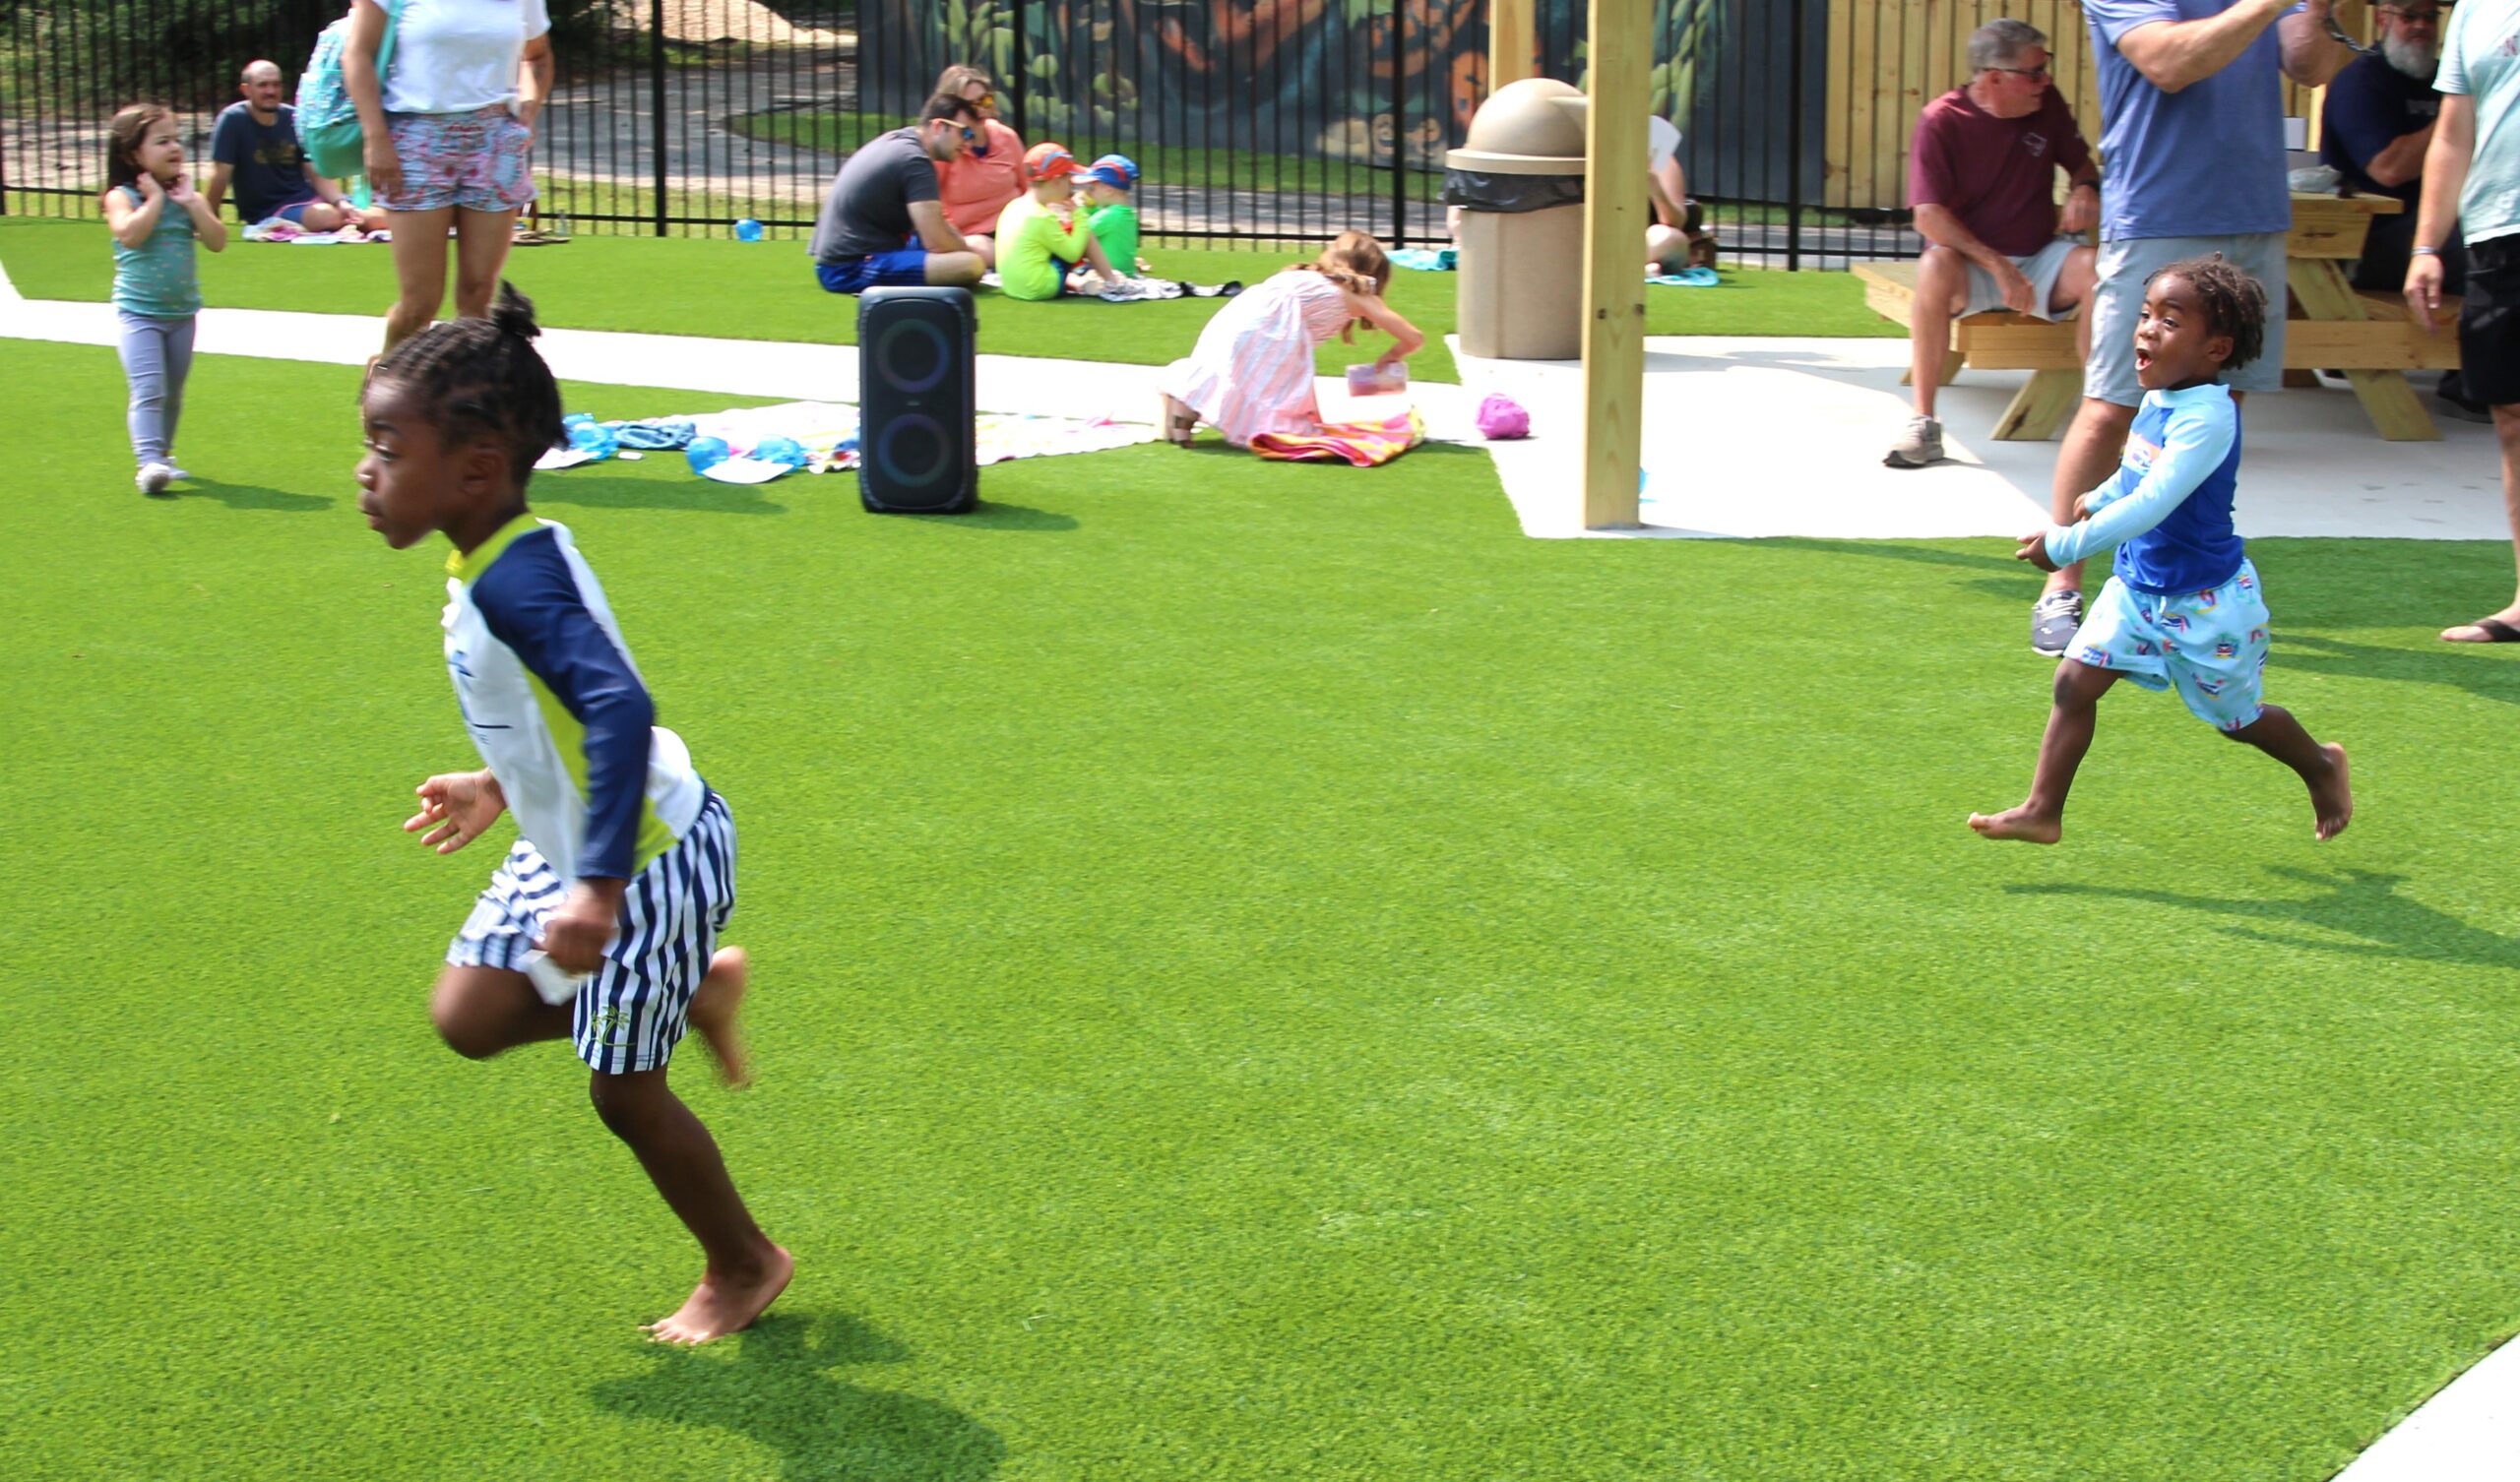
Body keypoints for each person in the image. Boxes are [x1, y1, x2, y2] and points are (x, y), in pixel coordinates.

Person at [356, 283, 789, 1346]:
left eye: (386, 446)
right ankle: (684, 994)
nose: (366, 471)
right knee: (469, 1016)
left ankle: (744, 1263)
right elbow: (548, 706)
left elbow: (614, 703)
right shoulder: (491, 557)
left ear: (474, 469)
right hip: (575, 845)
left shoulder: (516, 582)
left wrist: (596, 886)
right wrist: (495, 783)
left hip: (643, 860)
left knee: (621, 1091)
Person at [1971, 257, 2353, 843]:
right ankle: (2042, 810)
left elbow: (2153, 503)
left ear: (2217, 349)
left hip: (2206, 603)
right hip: (2135, 590)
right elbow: (2135, 474)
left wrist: (2068, 544)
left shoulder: (2209, 419)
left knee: (2239, 721)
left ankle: (2321, 765)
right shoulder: (2161, 398)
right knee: (2073, 684)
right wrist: (2098, 495)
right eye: (2147, 314)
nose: (2146, 329)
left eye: (2170, 322)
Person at [2029, 0, 2353, 656]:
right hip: (2160, 213)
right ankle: (2062, 585)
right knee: (2113, 407)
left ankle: (2187, 590)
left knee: (2216, 410)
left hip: (2254, 211)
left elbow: (2312, 63)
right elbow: (2170, 62)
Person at [1887, 18, 2101, 468]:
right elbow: (1928, 216)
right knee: (1934, 264)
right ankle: (1923, 422)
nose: (2046, 80)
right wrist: (1999, 266)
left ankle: (2100, 413)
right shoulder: (1941, 120)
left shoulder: (2047, 105)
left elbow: (2084, 169)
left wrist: (2084, 189)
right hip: (1969, 266)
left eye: (2047, 68)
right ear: (1995, 77)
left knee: (2099, 268)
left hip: (2042, 257)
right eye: (2036, 72)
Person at [343, 0, 555, 351]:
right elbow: (357, 54)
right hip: (418, 139)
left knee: (478, 296)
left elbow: (538, 55)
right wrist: (375, 137)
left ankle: (463, 400)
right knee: (419, 305)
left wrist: (528, 113)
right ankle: (384, 392)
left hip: (494, 140)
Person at [2407, 0, 2520, 644]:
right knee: (2511, 419)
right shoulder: (2475, 11)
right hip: (2497, 235)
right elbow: (2453, 134)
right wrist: (2426, 247)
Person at [2319, 1, 2487, 419]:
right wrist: (2454, 117)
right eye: (2409, 15)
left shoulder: (2441, 79)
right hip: (2367, 239)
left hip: (2433, 226)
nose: (2420, 26)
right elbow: (2389, 168)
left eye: (2430, 17)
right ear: (2382, 19)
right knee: (2483, 254)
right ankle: (2468, 384)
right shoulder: (2360, 82)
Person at [1158, 230, 1425, 448]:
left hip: (1237, 316)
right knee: (1280, 406)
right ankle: (1187, 411)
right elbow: (1414, 337)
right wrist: (1391, 356)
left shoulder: (1308, 275)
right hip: (1270, 333)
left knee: (1224, 371)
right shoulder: (1359, 293)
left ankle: (1183, 409)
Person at [101, 102, 226, 497]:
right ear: (132, 155)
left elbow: (217, 241)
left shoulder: (187, 196)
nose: (175, 148)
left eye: (177, 139)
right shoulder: (121, 197)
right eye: (162, 142)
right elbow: (129, 234)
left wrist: (191, 203)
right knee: (149, 388)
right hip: (138, 314)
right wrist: (154, 200)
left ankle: (165, 455)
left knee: (173, 391)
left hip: (181, 314)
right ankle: (148, 462)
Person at [808, 93, 987, 294]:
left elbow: (937, 225)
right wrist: (965, 252)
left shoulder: (904, 142)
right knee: (970, 265)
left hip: (856, 254)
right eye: (964, 133)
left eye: (971, 136)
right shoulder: (914, 160)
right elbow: (936, 241)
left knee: (980, 246)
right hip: (849, 267)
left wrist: (961, 245)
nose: (968, 143)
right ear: (938, 126)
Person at [203, 59, 388, 233]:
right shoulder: (233, 120)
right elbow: (221, 176)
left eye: (276, 84)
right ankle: (351, 223)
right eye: (263, 85)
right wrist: (207, 220)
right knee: (328, 217)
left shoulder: (293, 117)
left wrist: (340, 202)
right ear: (246, 89)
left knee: (384, 216)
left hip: (308, 200)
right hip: (269, 210)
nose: (270, 91)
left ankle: (354, 220)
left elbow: (315, 173)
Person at [993, 144, 1127, 300]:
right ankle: (1111, 280)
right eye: (1069, 180)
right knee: (1083, 230)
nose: (1071, 188)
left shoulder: (1013, 206)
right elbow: (1072, 254)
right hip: (1040, 287)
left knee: (1059, 238)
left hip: (1011, 286)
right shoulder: (1041, 216)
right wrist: (1079, 216)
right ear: (1056, 181)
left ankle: (1077, 282)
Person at [931, 64, 1026, 268]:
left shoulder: (1007, 138)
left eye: (986, 100)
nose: (982, 109)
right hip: (971, 235)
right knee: (984, 250)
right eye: (971, 105)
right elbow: (930, 206)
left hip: (1017, 228)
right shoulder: (946, 149)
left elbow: (1029, 189)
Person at [1079, 154, 1149, 276]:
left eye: (1092, 188)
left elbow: (1081, 232)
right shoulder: (1127, 215)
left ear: (1108, 191)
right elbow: (1100, 219)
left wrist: (1078, 210)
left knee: (1067, 272)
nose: (1089, 192)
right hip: (1126, 273)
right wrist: (1090, 208)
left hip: (1107, 274)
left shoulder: (1109, 216)